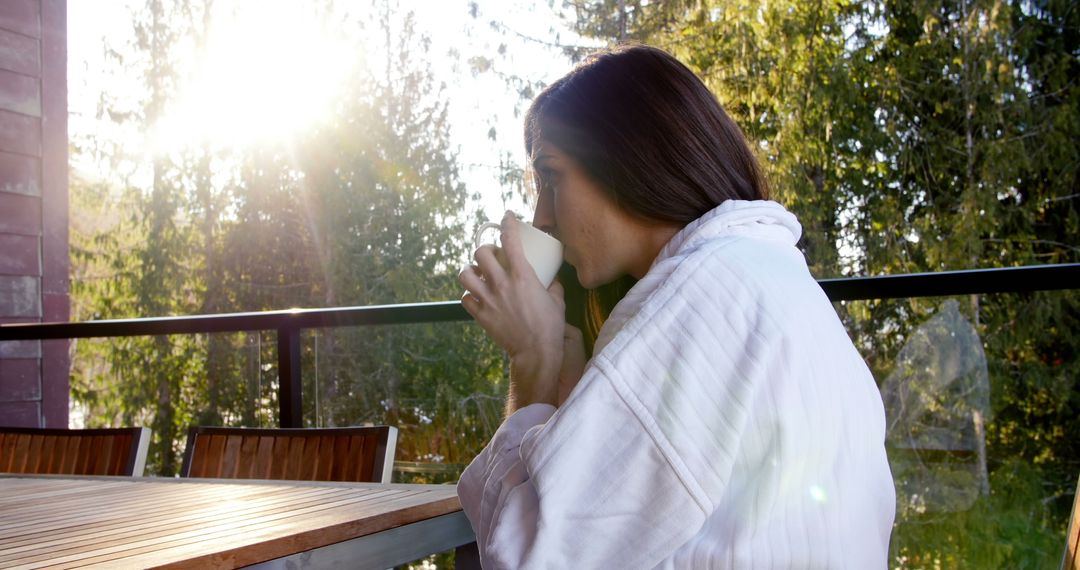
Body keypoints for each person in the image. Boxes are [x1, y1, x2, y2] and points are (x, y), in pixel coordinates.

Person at [457, 43, 895, 569]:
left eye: (551, 177)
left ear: (626, 157)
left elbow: (528, 558)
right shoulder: (756, 273)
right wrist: (569, 393)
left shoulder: (699, 297)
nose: (541, 217)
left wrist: (533, 358)